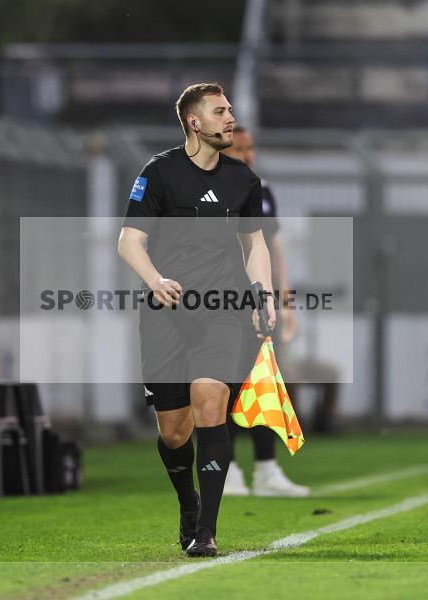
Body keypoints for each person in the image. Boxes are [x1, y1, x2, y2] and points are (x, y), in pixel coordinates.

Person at [118, 82, 273, 557]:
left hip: (222, 312)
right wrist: (155, 280)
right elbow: (129, 241)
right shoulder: (159, 172)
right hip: (167, 314)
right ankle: (188, 503)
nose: (230, 118)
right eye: (220, 111)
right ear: (194, 121)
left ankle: (206, 530)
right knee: (173, 431)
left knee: (211, 400)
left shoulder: (243, 179)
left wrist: (261, 295)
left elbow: (255, 245)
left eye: (230, 109)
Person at [221, 126, 308, 497]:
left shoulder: (260, 188)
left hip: (256, 302)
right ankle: (225, 471)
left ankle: (266, 470)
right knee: (221, 385)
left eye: (251, 147)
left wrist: (283, 300)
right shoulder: (203, 193)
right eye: (241, 148)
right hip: (219, 301)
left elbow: (271, 247)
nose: (249, 154)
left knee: (263, 383)